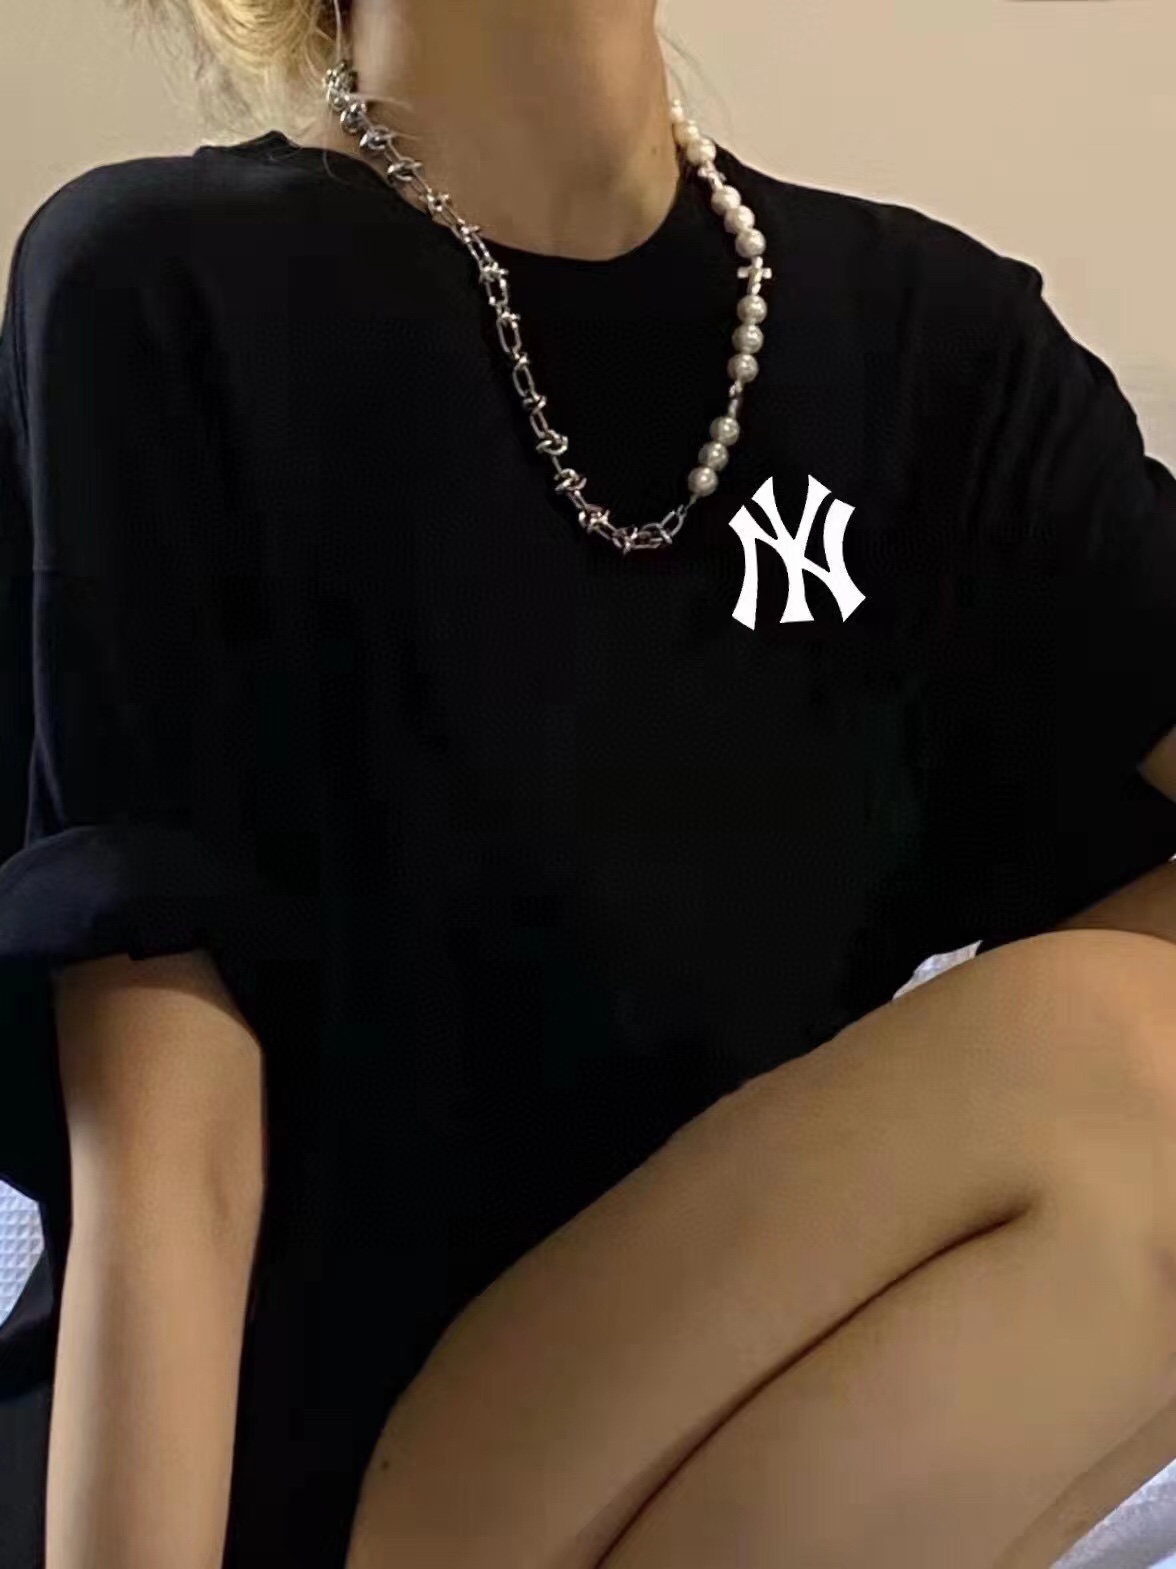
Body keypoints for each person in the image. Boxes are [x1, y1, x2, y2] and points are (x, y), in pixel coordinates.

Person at [1, 0, 1175, 1564]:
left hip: (691, 1453)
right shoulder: (165, 289)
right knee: (1126, 1049)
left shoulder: (924, 351)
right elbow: (169, 1156)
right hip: (306, 1476)